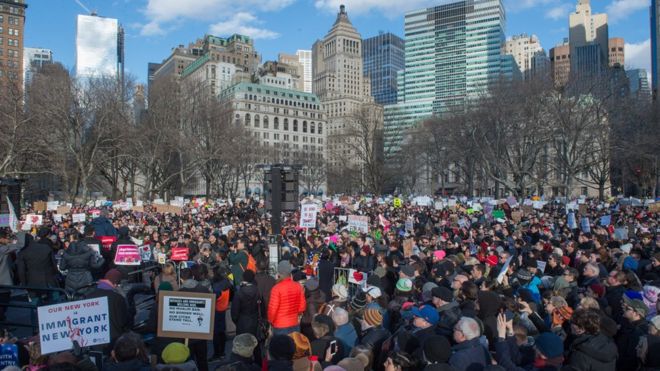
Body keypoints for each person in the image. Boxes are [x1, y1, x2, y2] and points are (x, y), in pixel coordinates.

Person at [87, 269, 131, 349]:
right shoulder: (118, 298)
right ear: (116, 284)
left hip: (93, 342)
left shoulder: (88, 296)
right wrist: (124, 297)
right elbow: (125, 320)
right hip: (113, 342)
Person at [59, 225, 104, 295]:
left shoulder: (66, 252)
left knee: (72, 301)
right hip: (85, 279)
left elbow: (62, 267)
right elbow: (95, 265)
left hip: (70, 279)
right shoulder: (89, 251)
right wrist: (102, 259)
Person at [268, 261, 306, 335]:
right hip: (294, 323)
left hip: (280, 325)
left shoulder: (276, 288)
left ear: (279, 273)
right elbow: (302, 307)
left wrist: (270, 321)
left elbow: (272, 310)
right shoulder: (298, 286)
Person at [0, 229, 25, 320]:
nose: (8, 239)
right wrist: (19, 231)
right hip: (3, 284)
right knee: (3, 308)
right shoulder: (2, 249)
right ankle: (3, 330)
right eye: (6, 238)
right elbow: (20, 244)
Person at [231, 269, 262, 337]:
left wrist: (237, 321)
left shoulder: (239, 293)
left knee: (242, 345)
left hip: (242, 322)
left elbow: (234, 312)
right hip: (254, 321)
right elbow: (260, 307)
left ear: (243, 278)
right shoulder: (257, 291)